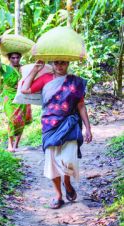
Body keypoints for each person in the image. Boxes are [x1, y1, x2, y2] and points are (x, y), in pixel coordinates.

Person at [21, 60, 92, 209]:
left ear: (68, 64)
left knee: (68, 159)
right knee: (52, 161)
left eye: (63, 63)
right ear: (52, 64)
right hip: (50, 125)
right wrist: (35, 70)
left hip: (70, 124)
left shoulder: (75, 82)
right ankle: (58, 195)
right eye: (56, 63)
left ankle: (67, 182)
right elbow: (25, 89)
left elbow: (81, 106)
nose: (60, 66)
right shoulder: (46, 78)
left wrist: (88, 128)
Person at [0, 38, 32, 152]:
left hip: (21, 96)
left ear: (20, 58)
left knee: (21, 120)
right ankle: (10, 143)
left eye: (17, 57)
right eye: (13, 58)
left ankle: (16, 144)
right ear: (9, 58)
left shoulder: (23, 68)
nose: (15, 59)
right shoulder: (6, 68)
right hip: (9, 97)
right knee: (12, 119)